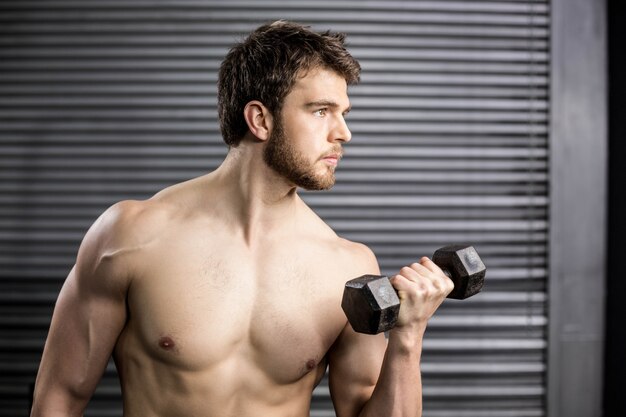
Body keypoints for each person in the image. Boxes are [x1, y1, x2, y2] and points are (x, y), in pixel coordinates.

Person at [30, 20, 453, 417]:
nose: (343, 133)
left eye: (345, 113)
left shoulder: (348, 266)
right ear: (260, 119)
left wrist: (407, 339)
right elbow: (60, 396)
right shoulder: (132, 235)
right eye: (321, 111)